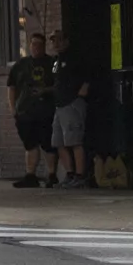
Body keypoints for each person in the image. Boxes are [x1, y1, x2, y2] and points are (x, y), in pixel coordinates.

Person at [5, 24, 57, 189]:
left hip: (46, 112)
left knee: (48, 144)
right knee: (30, 144)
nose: (36, 47)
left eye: (39, 45)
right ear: (29, 45)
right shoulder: (20, 65)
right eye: (33, 44)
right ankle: (30, 175)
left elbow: (60, 85)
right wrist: (13, 108)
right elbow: (11, 87)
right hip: (25, 112)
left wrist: (45, 91)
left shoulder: (52, 63)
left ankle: (52, 175)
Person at [49, 32, 89, 188]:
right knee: (58, 142)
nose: (56, 44)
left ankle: (80, 175)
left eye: (59, 40)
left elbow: (88, 75)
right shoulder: (56, 61)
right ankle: (70, 173)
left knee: (75, 141)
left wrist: (82, 90)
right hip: (59, 106)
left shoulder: (75, 57)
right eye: (54, 41)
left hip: (71, 103)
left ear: (67, 40)